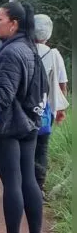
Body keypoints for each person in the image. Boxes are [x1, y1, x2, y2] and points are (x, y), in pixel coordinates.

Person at [0, 2, 46, 233]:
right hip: (30, 124)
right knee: (28, 180)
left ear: (14, 23)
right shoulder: (30, 48)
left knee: (13, 182)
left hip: (9, 126)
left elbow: (4, 95)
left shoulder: (11, 52)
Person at [33, 14, 69, 191]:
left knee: (25, 149)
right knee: (42, 149)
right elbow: (62, 83)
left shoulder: (23, 49)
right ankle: (38, 187)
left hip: (25, 110)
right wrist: (61, 109)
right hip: (45, 110)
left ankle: (25, 186)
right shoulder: (54, 54)